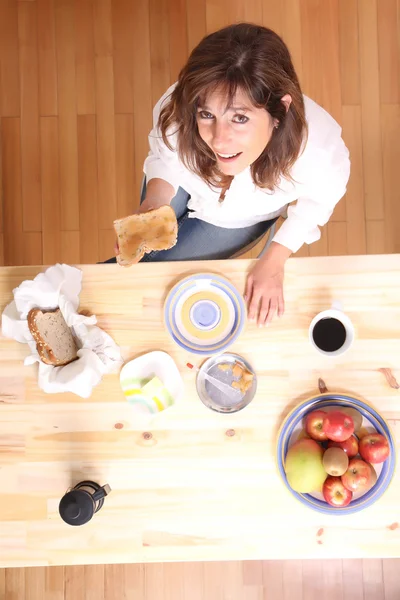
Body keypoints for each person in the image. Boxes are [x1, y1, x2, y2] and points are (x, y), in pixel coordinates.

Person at [108, 23, 350, 326]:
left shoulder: (320, 149)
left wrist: (274, 261)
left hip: (237, 219)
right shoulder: (179, 103)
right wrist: (155, 198)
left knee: (161, 272)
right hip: (183, 181)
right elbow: (166, 153)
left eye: (240, 118)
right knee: (128, 263)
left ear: (280, 111)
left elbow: (316, 204)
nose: (219, 141)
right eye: (207, 114)